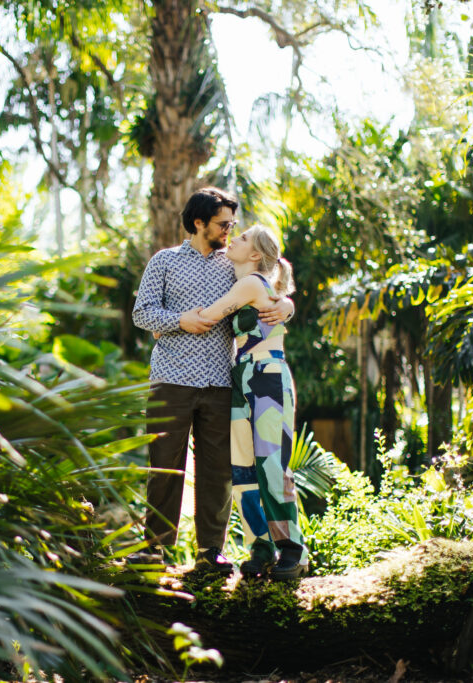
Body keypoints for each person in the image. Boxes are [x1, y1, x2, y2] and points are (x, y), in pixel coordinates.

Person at [132, 187, 292, 573]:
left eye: (232, 225)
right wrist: (178, 320)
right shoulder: (164, 261)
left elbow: (269, 285)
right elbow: (142, 313)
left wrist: (286, 305)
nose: (229, 230)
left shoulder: (233, 264)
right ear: (199, 222)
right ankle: (155, 550)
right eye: (223, 224)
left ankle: (210, 553)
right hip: (170, 379)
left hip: (222, 381)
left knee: (217, 470)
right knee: (165, 465)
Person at [195, 224, 307, 579]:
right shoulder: (249, 284)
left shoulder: (250, 283)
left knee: (272, 465)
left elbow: (210, 317)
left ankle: (294, 551)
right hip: (243, 378)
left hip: (267, 377)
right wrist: (286, 306)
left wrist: (165, 320)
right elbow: (279, 304)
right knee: (244, 469)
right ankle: (261, 548)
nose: (234, 239)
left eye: (242, 239)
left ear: (255, 255)